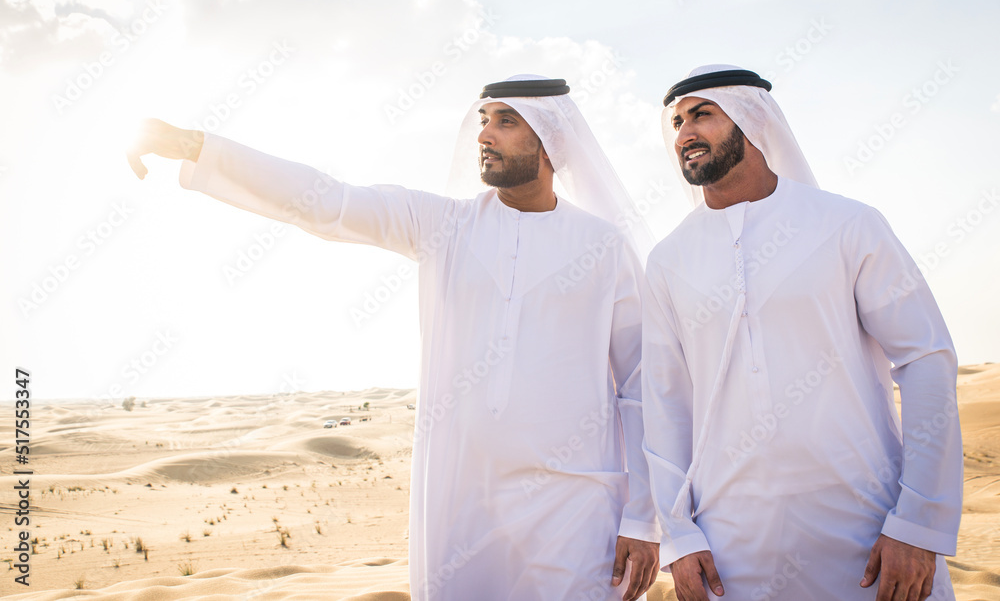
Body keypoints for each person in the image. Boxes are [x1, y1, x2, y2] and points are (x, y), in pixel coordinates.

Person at [127, 75, 660, 600]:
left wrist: (642, 518)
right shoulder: (443, 226)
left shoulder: (604, 246)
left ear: (551, 140)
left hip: (575, 508)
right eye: (483, 120)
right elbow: (325, 202)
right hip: (461, 506)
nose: (484, 135)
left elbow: (639, 386)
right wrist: (195, 145)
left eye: (506, 121)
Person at [641, 64, 962, 601]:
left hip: (869, 532)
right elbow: (666, 403)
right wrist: (678, 536)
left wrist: (919, 521)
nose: (685, 134)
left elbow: (926, 358)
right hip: (730, 550)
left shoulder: (846, 225)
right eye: (676, 123)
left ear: (751, 119)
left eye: (702, 115)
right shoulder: (668, 259)